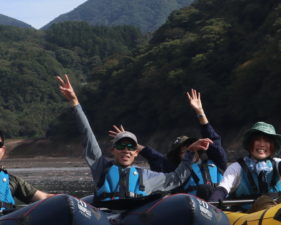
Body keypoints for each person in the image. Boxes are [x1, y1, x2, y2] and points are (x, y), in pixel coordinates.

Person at [56, 74, 210, 204]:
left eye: (131, 147)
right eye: (121, 146)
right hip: (106, 217)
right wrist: (75, 103)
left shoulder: (148, 176)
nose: (126, 150)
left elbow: (176, 178)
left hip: (135, 221)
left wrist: (190, 152)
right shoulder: (100, 167)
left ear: (136, 152)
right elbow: (88, 136)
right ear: (113, 150)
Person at [108, 89, 227, 198]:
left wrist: (200, 112)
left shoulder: (217, 162)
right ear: (178, 155)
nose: (190, 149)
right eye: (184, 149)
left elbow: (213, 139)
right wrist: (128, 141)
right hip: (192, 209)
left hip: (223, 207)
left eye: (191, 146)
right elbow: (152, 155)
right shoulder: (175, 170)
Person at [208, 121, 281, 210]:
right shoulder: (236, 168)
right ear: (250, 144)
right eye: (257, 140)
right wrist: (211, 205)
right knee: (264, 202)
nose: (262, 144)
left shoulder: (276, 163)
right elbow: (222, 189)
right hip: (248, 215)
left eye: (267, 141)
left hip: (278, 211)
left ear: (272, 146)